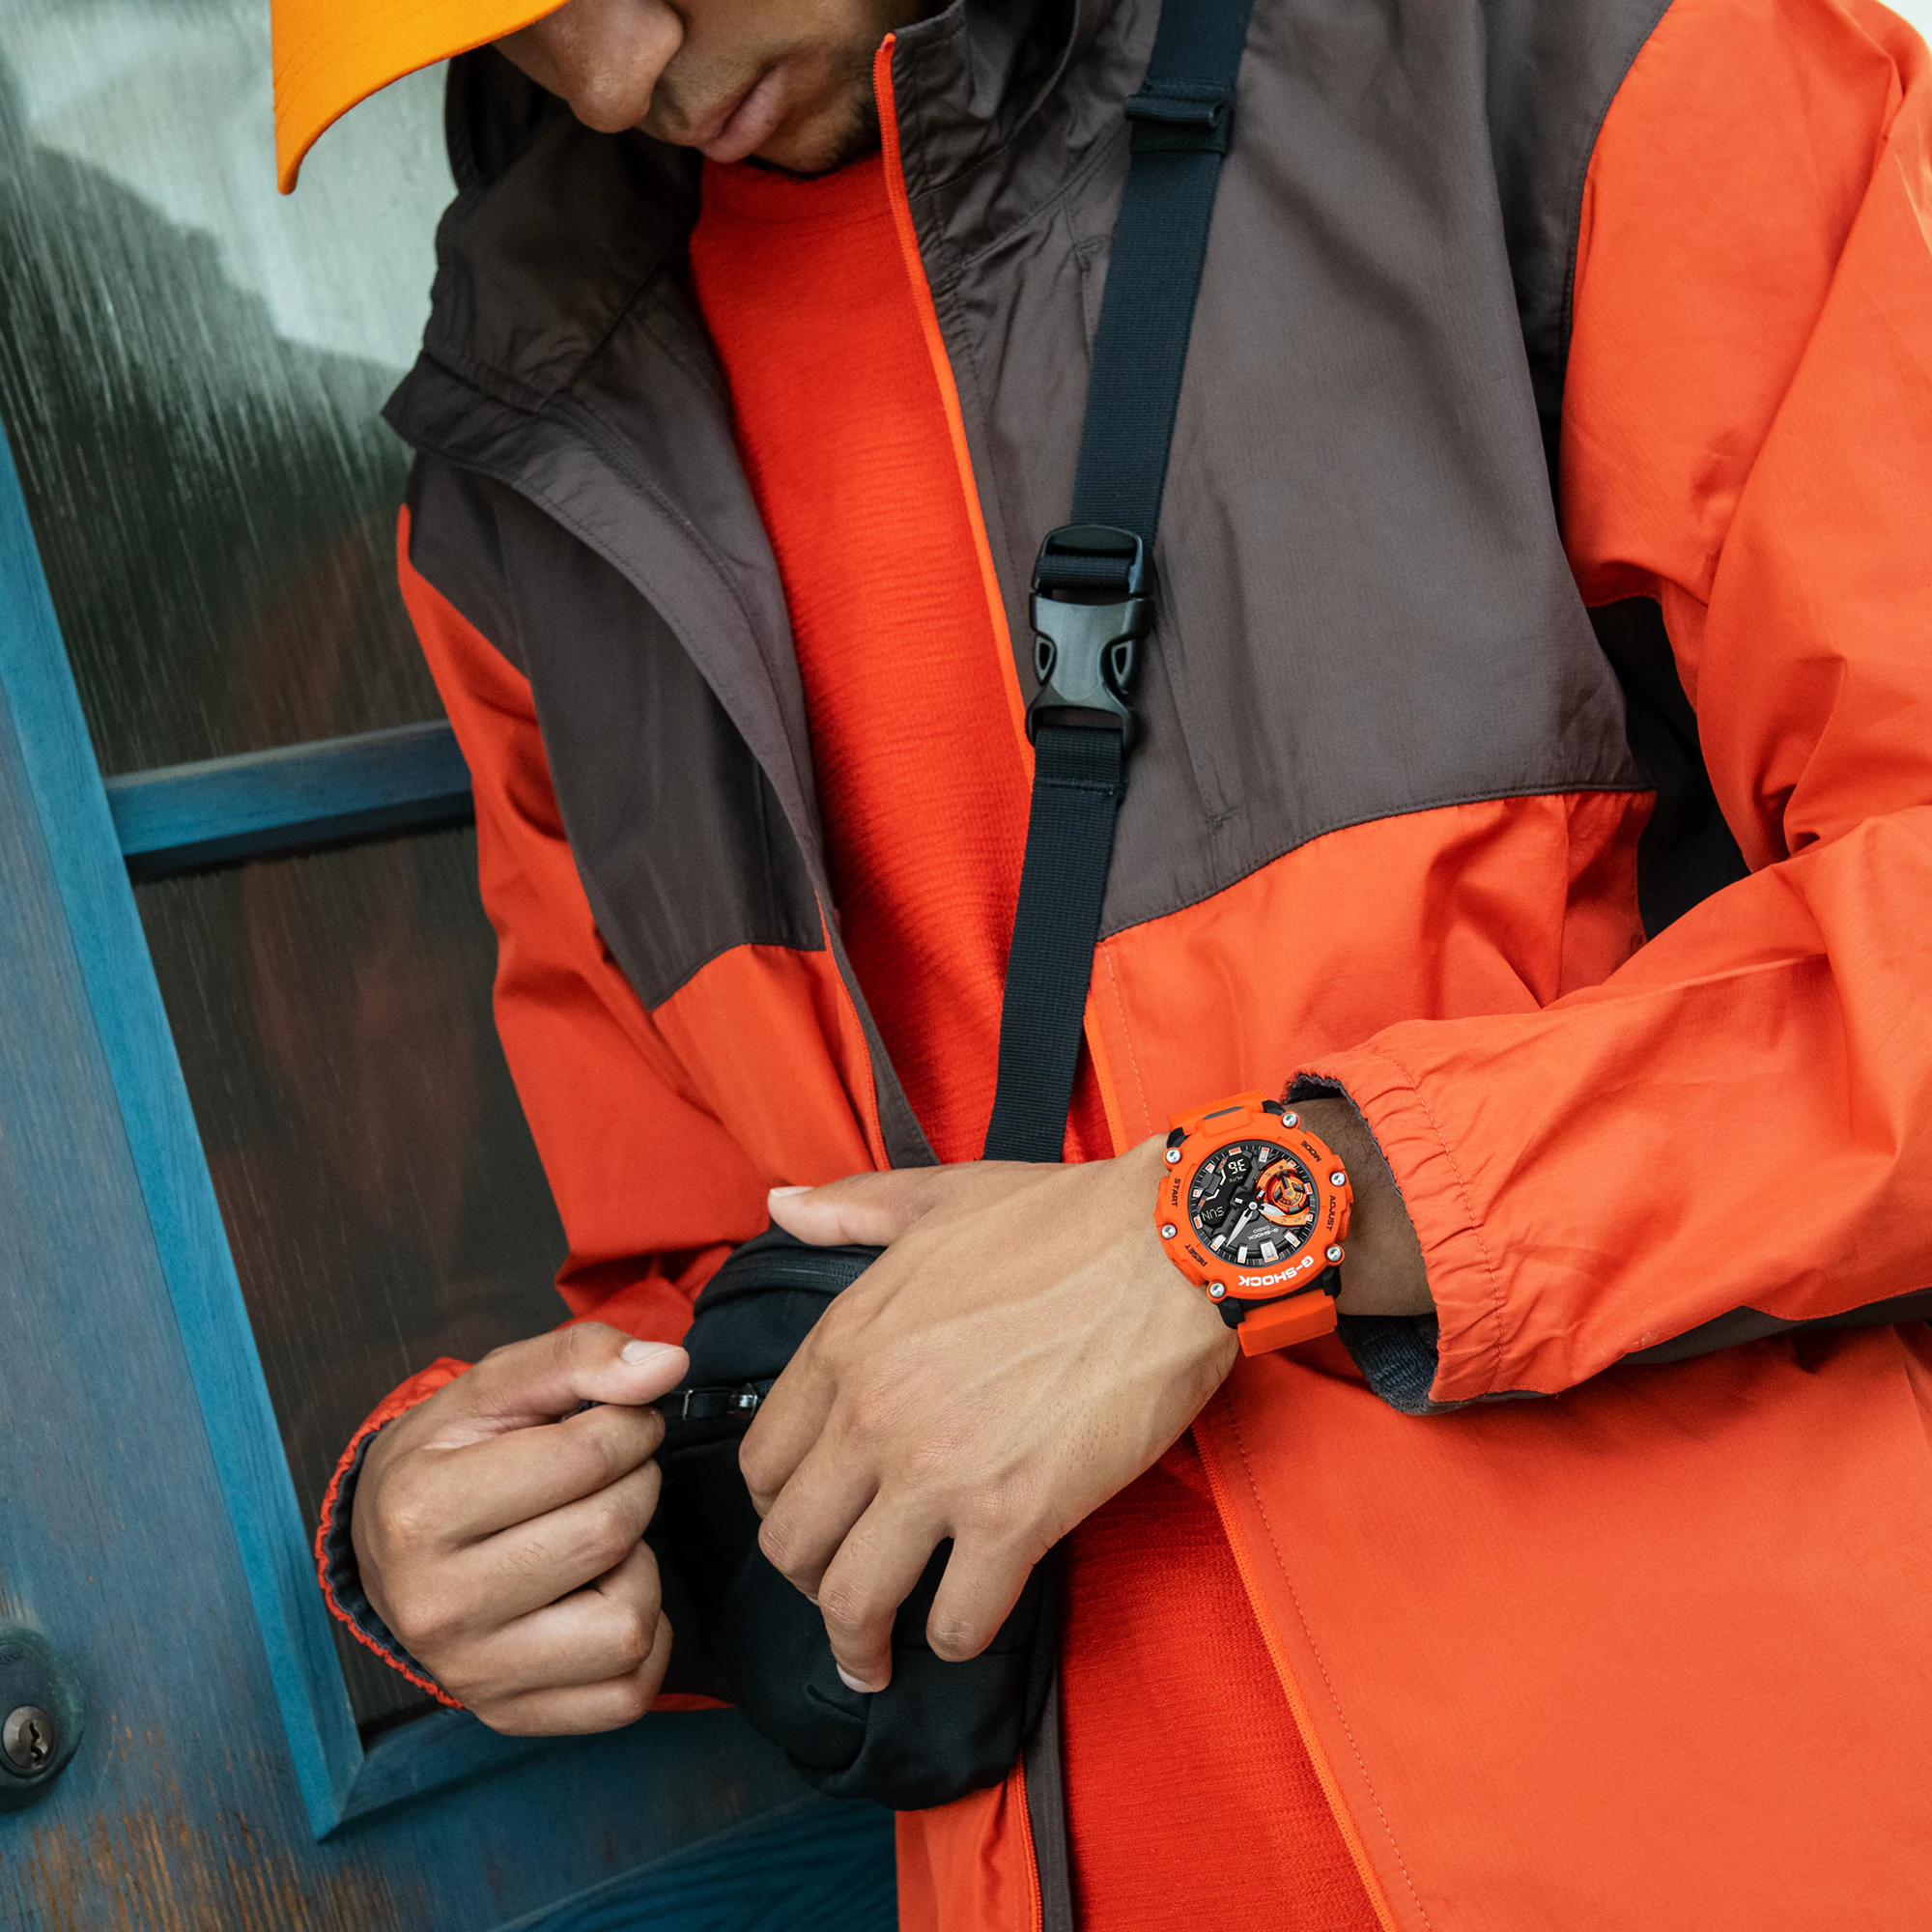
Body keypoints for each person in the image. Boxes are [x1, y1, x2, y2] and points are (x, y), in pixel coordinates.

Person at [277, 0, 1932, 1923]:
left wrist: (1241, 1224)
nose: (620, 74)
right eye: (517, 28)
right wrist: (475, 1536)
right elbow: (708, 1303)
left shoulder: (1564, 57)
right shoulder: (508, 507)